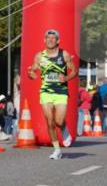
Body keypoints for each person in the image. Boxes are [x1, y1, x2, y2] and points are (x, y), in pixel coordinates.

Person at [27, 29, 74, 159]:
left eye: (53, 38)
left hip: (61, 92)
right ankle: (57, 150)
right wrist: (30, 74)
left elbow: (74, 71)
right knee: (50, 122)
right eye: (48, 38)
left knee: (58, 122)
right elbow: (33, 71)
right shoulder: (39, 56)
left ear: (58, 40)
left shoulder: (64, 54)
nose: (51, 40)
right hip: (46, 91)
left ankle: (64, 128)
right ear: (45, 40)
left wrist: (66, 78)